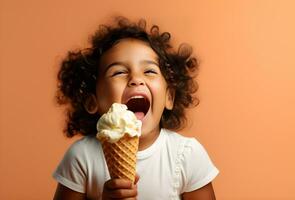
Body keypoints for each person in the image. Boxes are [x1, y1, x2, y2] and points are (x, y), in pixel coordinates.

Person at [53, 17, 219, 200]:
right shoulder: (82, 157)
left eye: (149, 71)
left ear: (169, 97)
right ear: (92, 102)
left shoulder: (187, 154)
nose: (136, 79)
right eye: (119, 72)